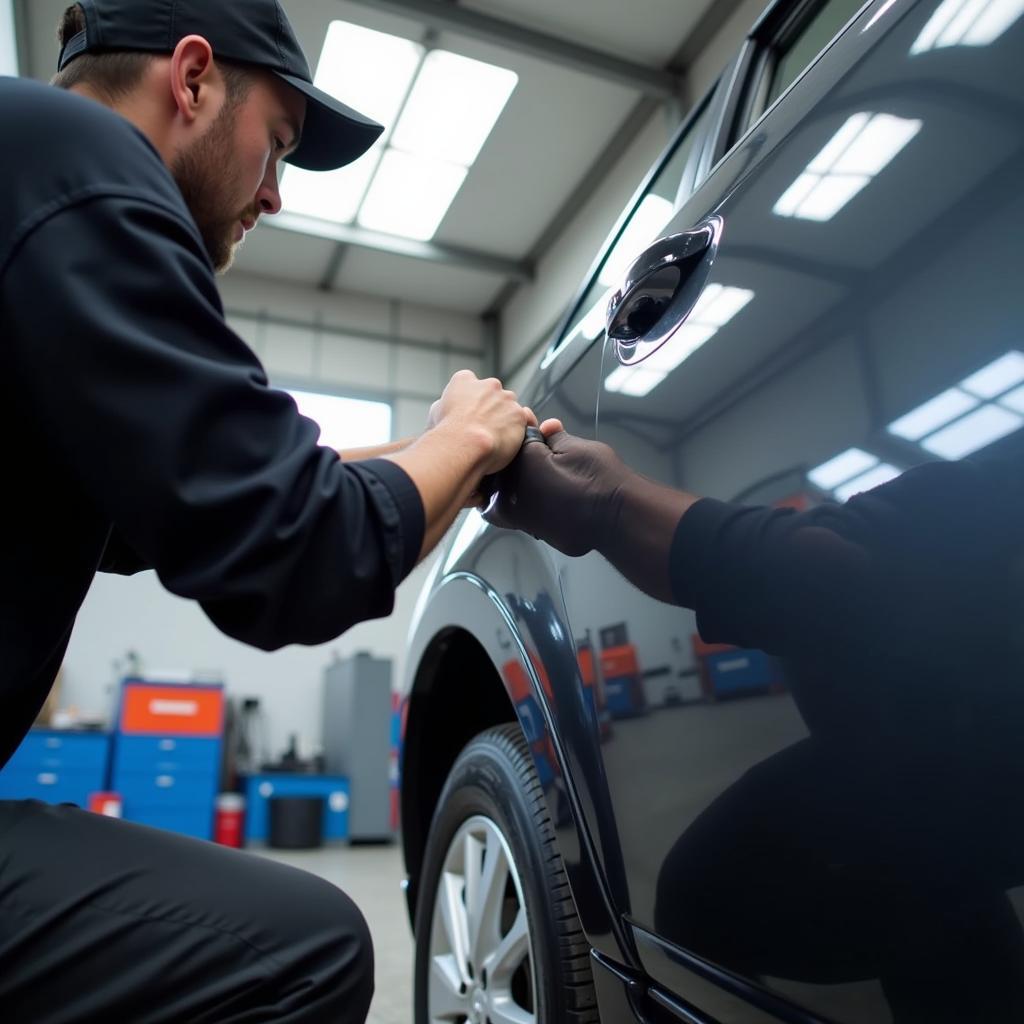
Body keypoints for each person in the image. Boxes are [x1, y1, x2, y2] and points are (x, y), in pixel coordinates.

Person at [0, 1, 545, 1019]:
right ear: (193, 79)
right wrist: (466, 439)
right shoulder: (88, 166)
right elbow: (292, 545)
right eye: (278, 146)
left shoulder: (29, 170)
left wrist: (440, 446)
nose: (277, 195)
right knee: (300, 948)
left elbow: (229, 485)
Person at [488, 428, 1024, 1021]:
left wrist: (610, 502)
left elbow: (841, 569)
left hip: (972, 764)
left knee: (703, 898)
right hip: (952, 763)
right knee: (936, 893)